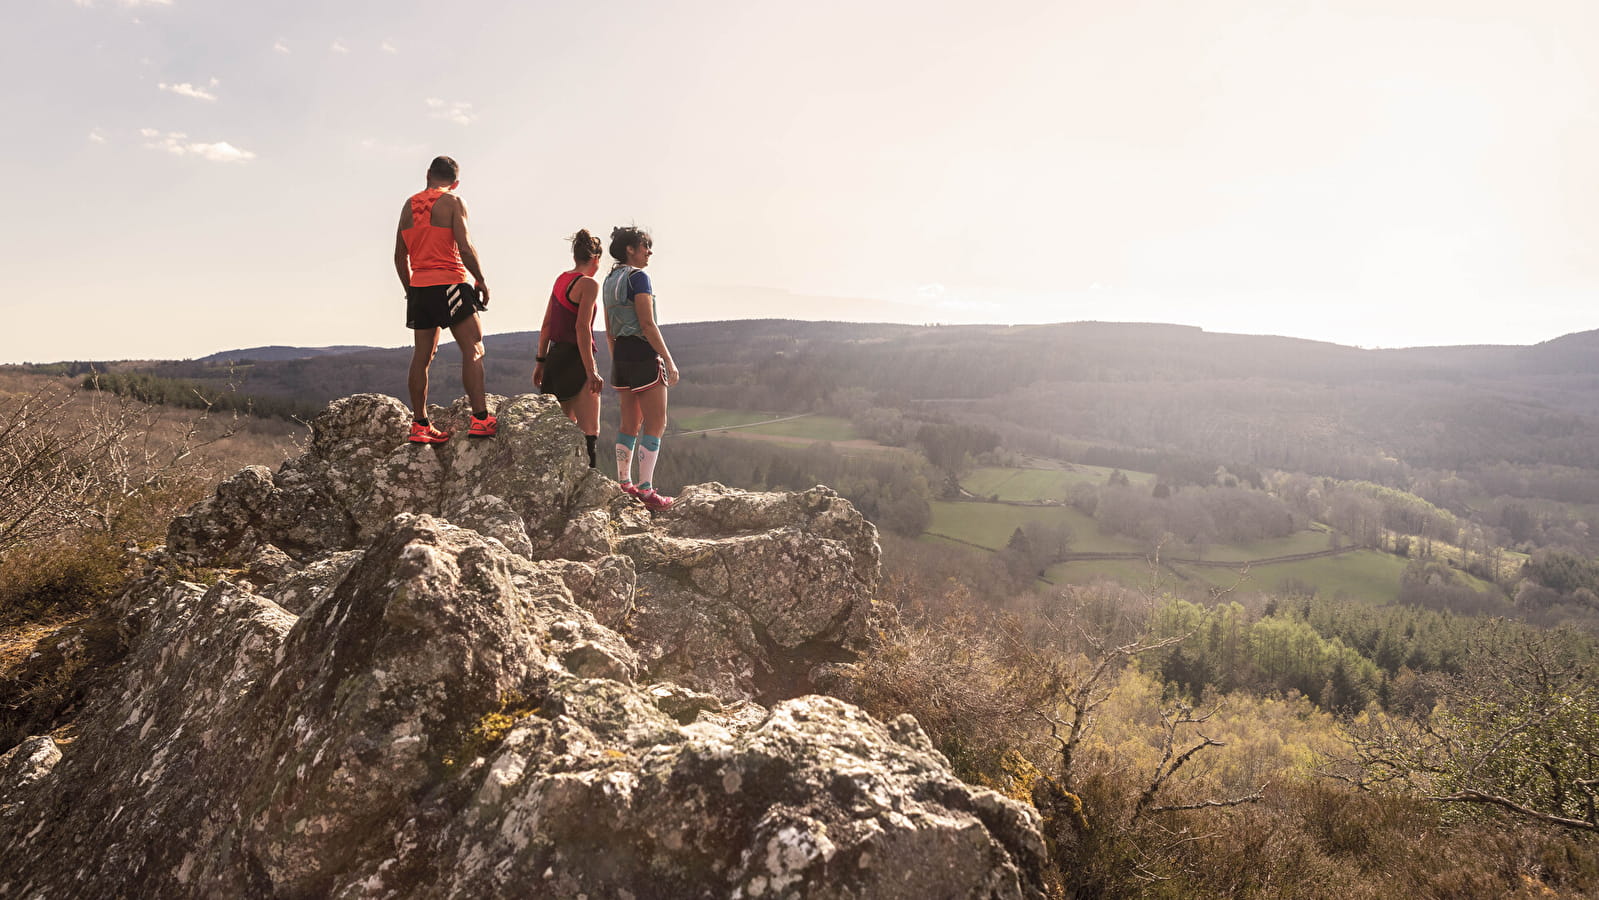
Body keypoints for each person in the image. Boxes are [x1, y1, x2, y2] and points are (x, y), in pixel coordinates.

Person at [392, 155, 496, 443]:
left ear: (428, 174)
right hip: (450, 281)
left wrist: (411, 290)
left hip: (420, 287)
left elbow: (399, 256)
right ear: (455, 182)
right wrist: (481, 280)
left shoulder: (408, 206)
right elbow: (465, 246)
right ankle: (480, 419)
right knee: (473, 347)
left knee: (422, 356)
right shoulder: (453, 201)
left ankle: (420, 424)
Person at [602, 226, 679, 510]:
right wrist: (668, 359)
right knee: (656, 422)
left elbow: (609, 329)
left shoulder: (609, 280)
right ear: (630, 249)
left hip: (621, 355)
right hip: (643, 354)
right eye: (645, 246)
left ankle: (624, 483)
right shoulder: (638, 278)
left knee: (629, 423)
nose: (649, 252)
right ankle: (646, 490)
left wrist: (617, 360)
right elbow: (647, 323)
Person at [534, 230, 605, 466]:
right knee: (589, 432)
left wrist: (540, 362)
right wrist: (591, 371)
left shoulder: (561, 279)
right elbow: (582, 328)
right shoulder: (589, 284)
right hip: (577, 360)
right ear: (595, 259)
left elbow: (546, 325)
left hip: (555, 359)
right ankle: (588, 481)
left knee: (558, 432)